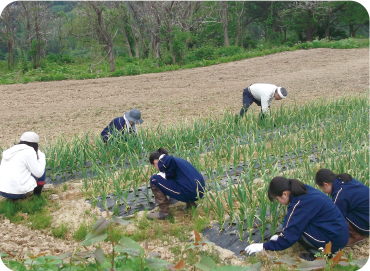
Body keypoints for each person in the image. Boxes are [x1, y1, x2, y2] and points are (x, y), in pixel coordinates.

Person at [244, 177, 349, 261]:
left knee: (298, 229)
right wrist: (281, 235)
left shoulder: (300, 204)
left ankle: (320, 254)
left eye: (277, 199)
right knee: (297, 224)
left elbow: (288, 238)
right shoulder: (305, 190)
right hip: (340, 233)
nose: (278, 201)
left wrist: (263, 246)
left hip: (333, 242)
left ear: (285, 193)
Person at [315, 169, 370, 246]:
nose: (323, 191)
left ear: (326, 184)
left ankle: (356, 237)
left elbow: (334, 216)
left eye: (322, 188)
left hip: (368, 224)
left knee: (338, 215)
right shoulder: (346, 181)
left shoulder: (340, 193)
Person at [147, 148, 205, 220]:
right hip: (201, 192)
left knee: (154, 179)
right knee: (181, 179)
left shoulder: (164, 162)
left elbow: (166, 177)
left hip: (190, 193)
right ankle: (191, 204)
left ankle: (164, 212)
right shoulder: (177, 160)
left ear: (154, 162)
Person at [0, 132, 46, 199]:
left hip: (2, 191)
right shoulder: (29, 151)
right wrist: (42, 157)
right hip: (17, 193)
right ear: (35, 144)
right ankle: (37, 195)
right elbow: (39, 173)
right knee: (41, 168)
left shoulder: (10, 151)